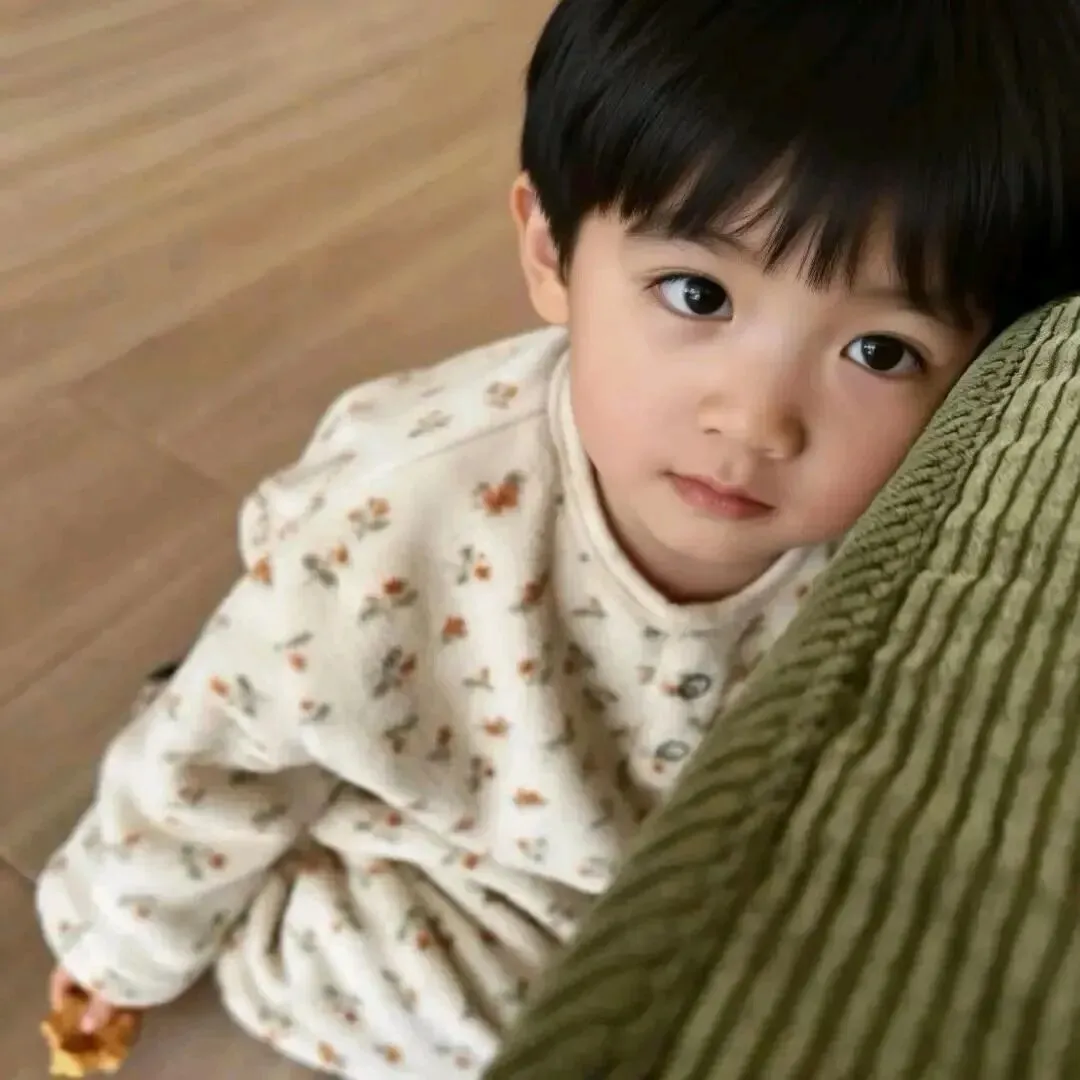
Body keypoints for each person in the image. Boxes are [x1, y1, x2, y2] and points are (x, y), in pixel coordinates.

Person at [38, 0, 1080, 1075]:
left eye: (880, 352)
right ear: (551, 251)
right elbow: (217, 748)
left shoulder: (926, 541)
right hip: (452, 858)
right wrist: (116, 948)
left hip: (661, 869)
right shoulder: (399, 512)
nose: (756, 421)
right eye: (697, 293)